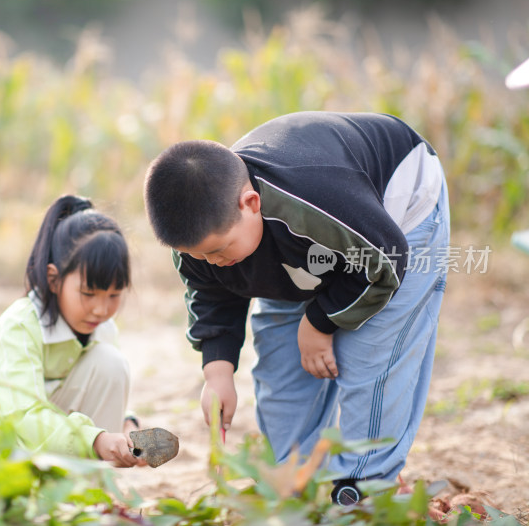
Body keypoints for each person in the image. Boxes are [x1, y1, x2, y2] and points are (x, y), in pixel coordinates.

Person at [143, 111, 449, 504]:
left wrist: (320, 323)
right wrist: (217, 373)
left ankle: (362, 489)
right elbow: (211, 297)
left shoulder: (313, 198)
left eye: (218, 250)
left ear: (250, 202)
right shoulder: (202, 240)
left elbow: (384, 263)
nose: (211, 261)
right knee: (281, 360)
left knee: (369, 359)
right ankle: (293, 481)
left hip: (392, 222)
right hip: (298, 246)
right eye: (198, 256)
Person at [0, 194, 144, 468]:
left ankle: (92, 491)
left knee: (111, 364)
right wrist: (95, 440)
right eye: (88, 293)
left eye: (114, 295)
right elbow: (23, 418)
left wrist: (127, 426)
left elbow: (101, 394)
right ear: (54, 280)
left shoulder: (103, 327)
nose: (101, 309)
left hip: (53, 447)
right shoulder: (21, 325)